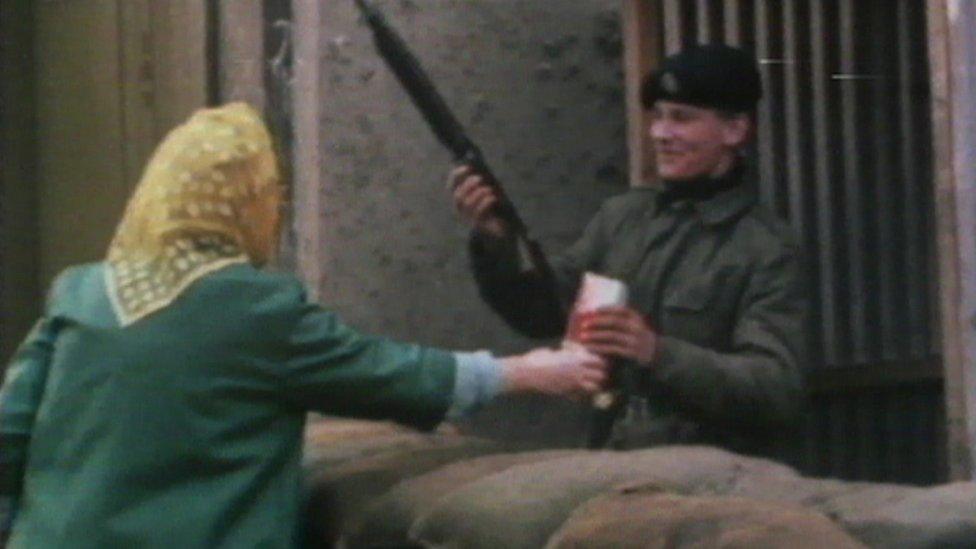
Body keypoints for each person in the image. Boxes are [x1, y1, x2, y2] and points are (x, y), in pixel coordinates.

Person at [0, 103, 608, 548]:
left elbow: (10, 433)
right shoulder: (255, 308)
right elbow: (387, 374)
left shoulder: (79, 293)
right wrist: (522, 373)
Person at [450, 44, 807, 454]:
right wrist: (496, 241)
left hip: (709, 477)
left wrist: (657, 352)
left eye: (682, 118)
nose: (660, 133)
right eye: (658, 117)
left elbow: (777, 390)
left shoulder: (765, 248)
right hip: (609, 457)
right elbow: (541, 312)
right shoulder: (622, 219)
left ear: (735, 130)